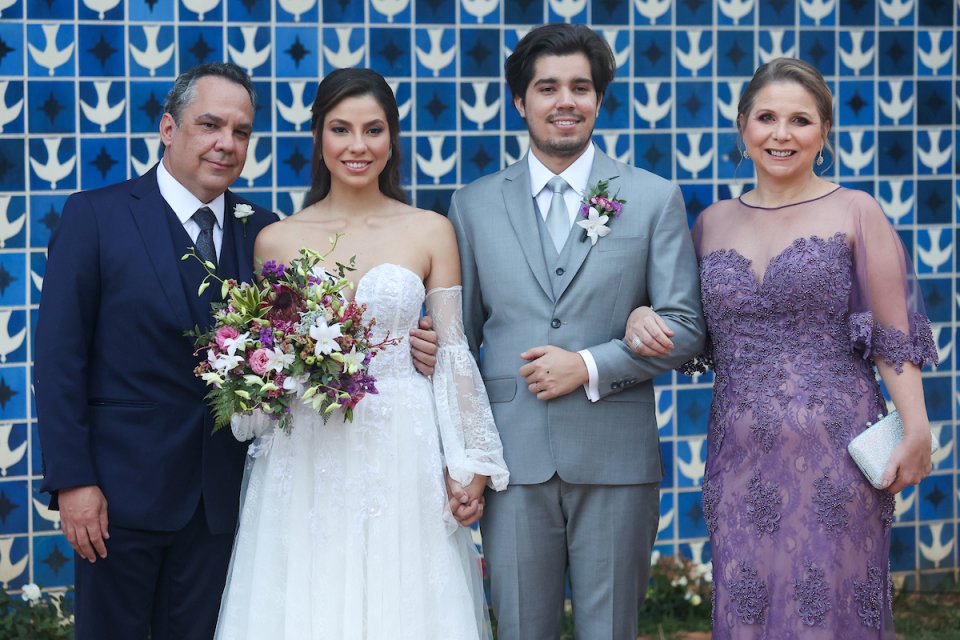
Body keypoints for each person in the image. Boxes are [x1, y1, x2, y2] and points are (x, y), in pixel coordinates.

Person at [32, 62, 439, 640]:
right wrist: (74, 483)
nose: (226, 143)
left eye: (242, 131)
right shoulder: (95, 216)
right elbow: (58, 361)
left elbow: (321, 337)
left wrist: (415, 343)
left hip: (225, 498)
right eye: (210, 125)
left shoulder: (265, 232)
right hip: (120, 498)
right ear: (168, 129)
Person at [628, 57, 937, 638]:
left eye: (801, 120)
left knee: (828, 610)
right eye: (766, 117)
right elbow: (681, 320)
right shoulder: (711, 223)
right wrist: (642, 313)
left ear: (823, 135)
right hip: (737, 459)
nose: (781, 133)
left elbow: (893, 338)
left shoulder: (857, 210)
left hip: (838, 456)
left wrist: (917, 429)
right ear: (742, 126)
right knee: (747, 606)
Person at [213, 67, 509, 639]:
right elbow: (264, 358)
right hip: (306, 449)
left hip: (403, 442)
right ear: (319, 140)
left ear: (391, 139)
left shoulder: (430, 230)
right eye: (340, 129)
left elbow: (451, 352)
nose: (357, 146)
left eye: (373, 130)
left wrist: (468, 463)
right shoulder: (275, 239)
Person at [448, 24, 705, 639]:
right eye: (548, 87)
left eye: (581, 87)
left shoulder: (650, 197)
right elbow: (458, 342)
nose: (566, 101)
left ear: (598, 98)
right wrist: (465, 457)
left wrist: (589, 366)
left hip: (616, 457)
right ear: (520, 101)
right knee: (518, 629)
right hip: (512, 460)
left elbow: (688, 327)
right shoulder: (473, 204)